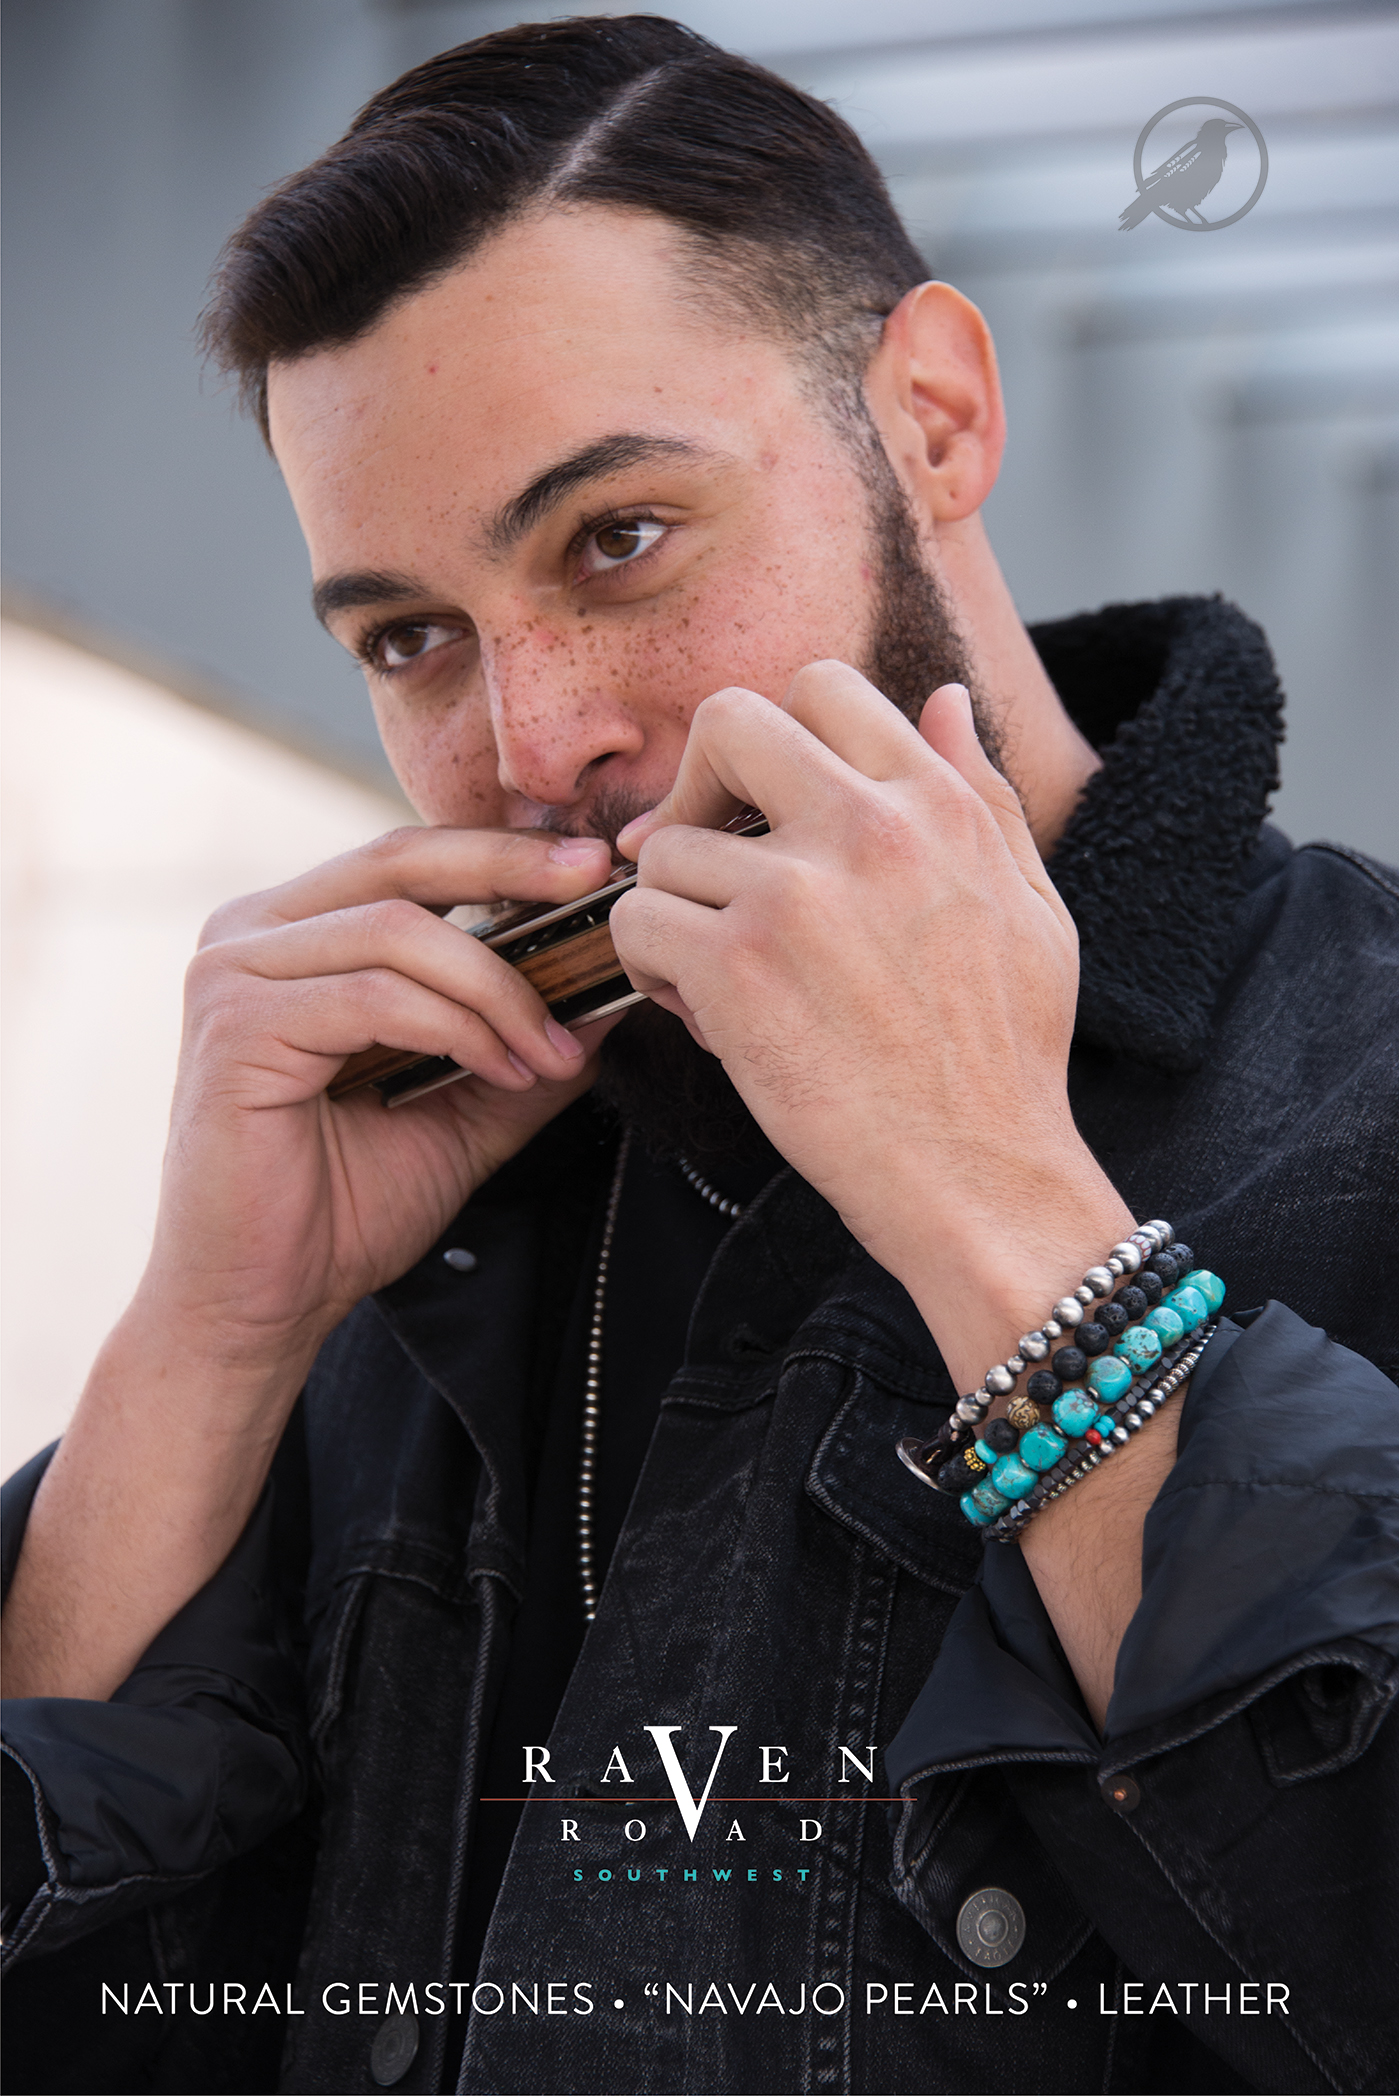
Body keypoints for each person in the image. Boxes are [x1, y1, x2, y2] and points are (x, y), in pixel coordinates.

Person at [2, 17, 1396, 2096]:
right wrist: (210, 1341)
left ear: (931, 418)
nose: (535, 737)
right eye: (408, 639)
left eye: (617, 538)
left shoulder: (1365, 1071)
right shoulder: (411, 1223)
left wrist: (989, 1202)